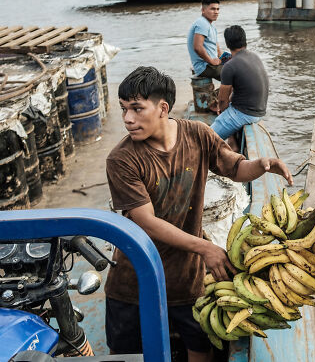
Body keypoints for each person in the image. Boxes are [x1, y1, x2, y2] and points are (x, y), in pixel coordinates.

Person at [104, 66, 292, 361]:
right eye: (124, 109)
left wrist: (262, 164)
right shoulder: (122, 159)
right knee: (125, 355)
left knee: (200, 352)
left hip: (186, 279)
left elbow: (235, 168)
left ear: (163, 108)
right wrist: (206, 247)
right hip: (135, 280)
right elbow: (146, 222)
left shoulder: (198, 134)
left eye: (137, 109)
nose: (128, 119)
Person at [210, 26, 268, 148]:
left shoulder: (229, 66)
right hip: (260, 112)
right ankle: (233, 143)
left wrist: (222, 111)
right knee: (228, 110)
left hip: (245, 114)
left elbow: (222, 100)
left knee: (206, 139)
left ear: (227, 43)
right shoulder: (255, 57)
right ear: (244, 40)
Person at [187, 0, 229, 82]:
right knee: (236, 75)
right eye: (213, 9)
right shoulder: (202, 23)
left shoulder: (211, 26)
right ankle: (222, 95)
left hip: (211, 65)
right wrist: (211, 61)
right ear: (203, 10)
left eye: (218, 9)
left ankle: (221, 94)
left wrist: (225, 59)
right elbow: (197, 47)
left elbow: (217, 50)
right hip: (205, 66)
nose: (216, 12)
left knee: (237, 67)